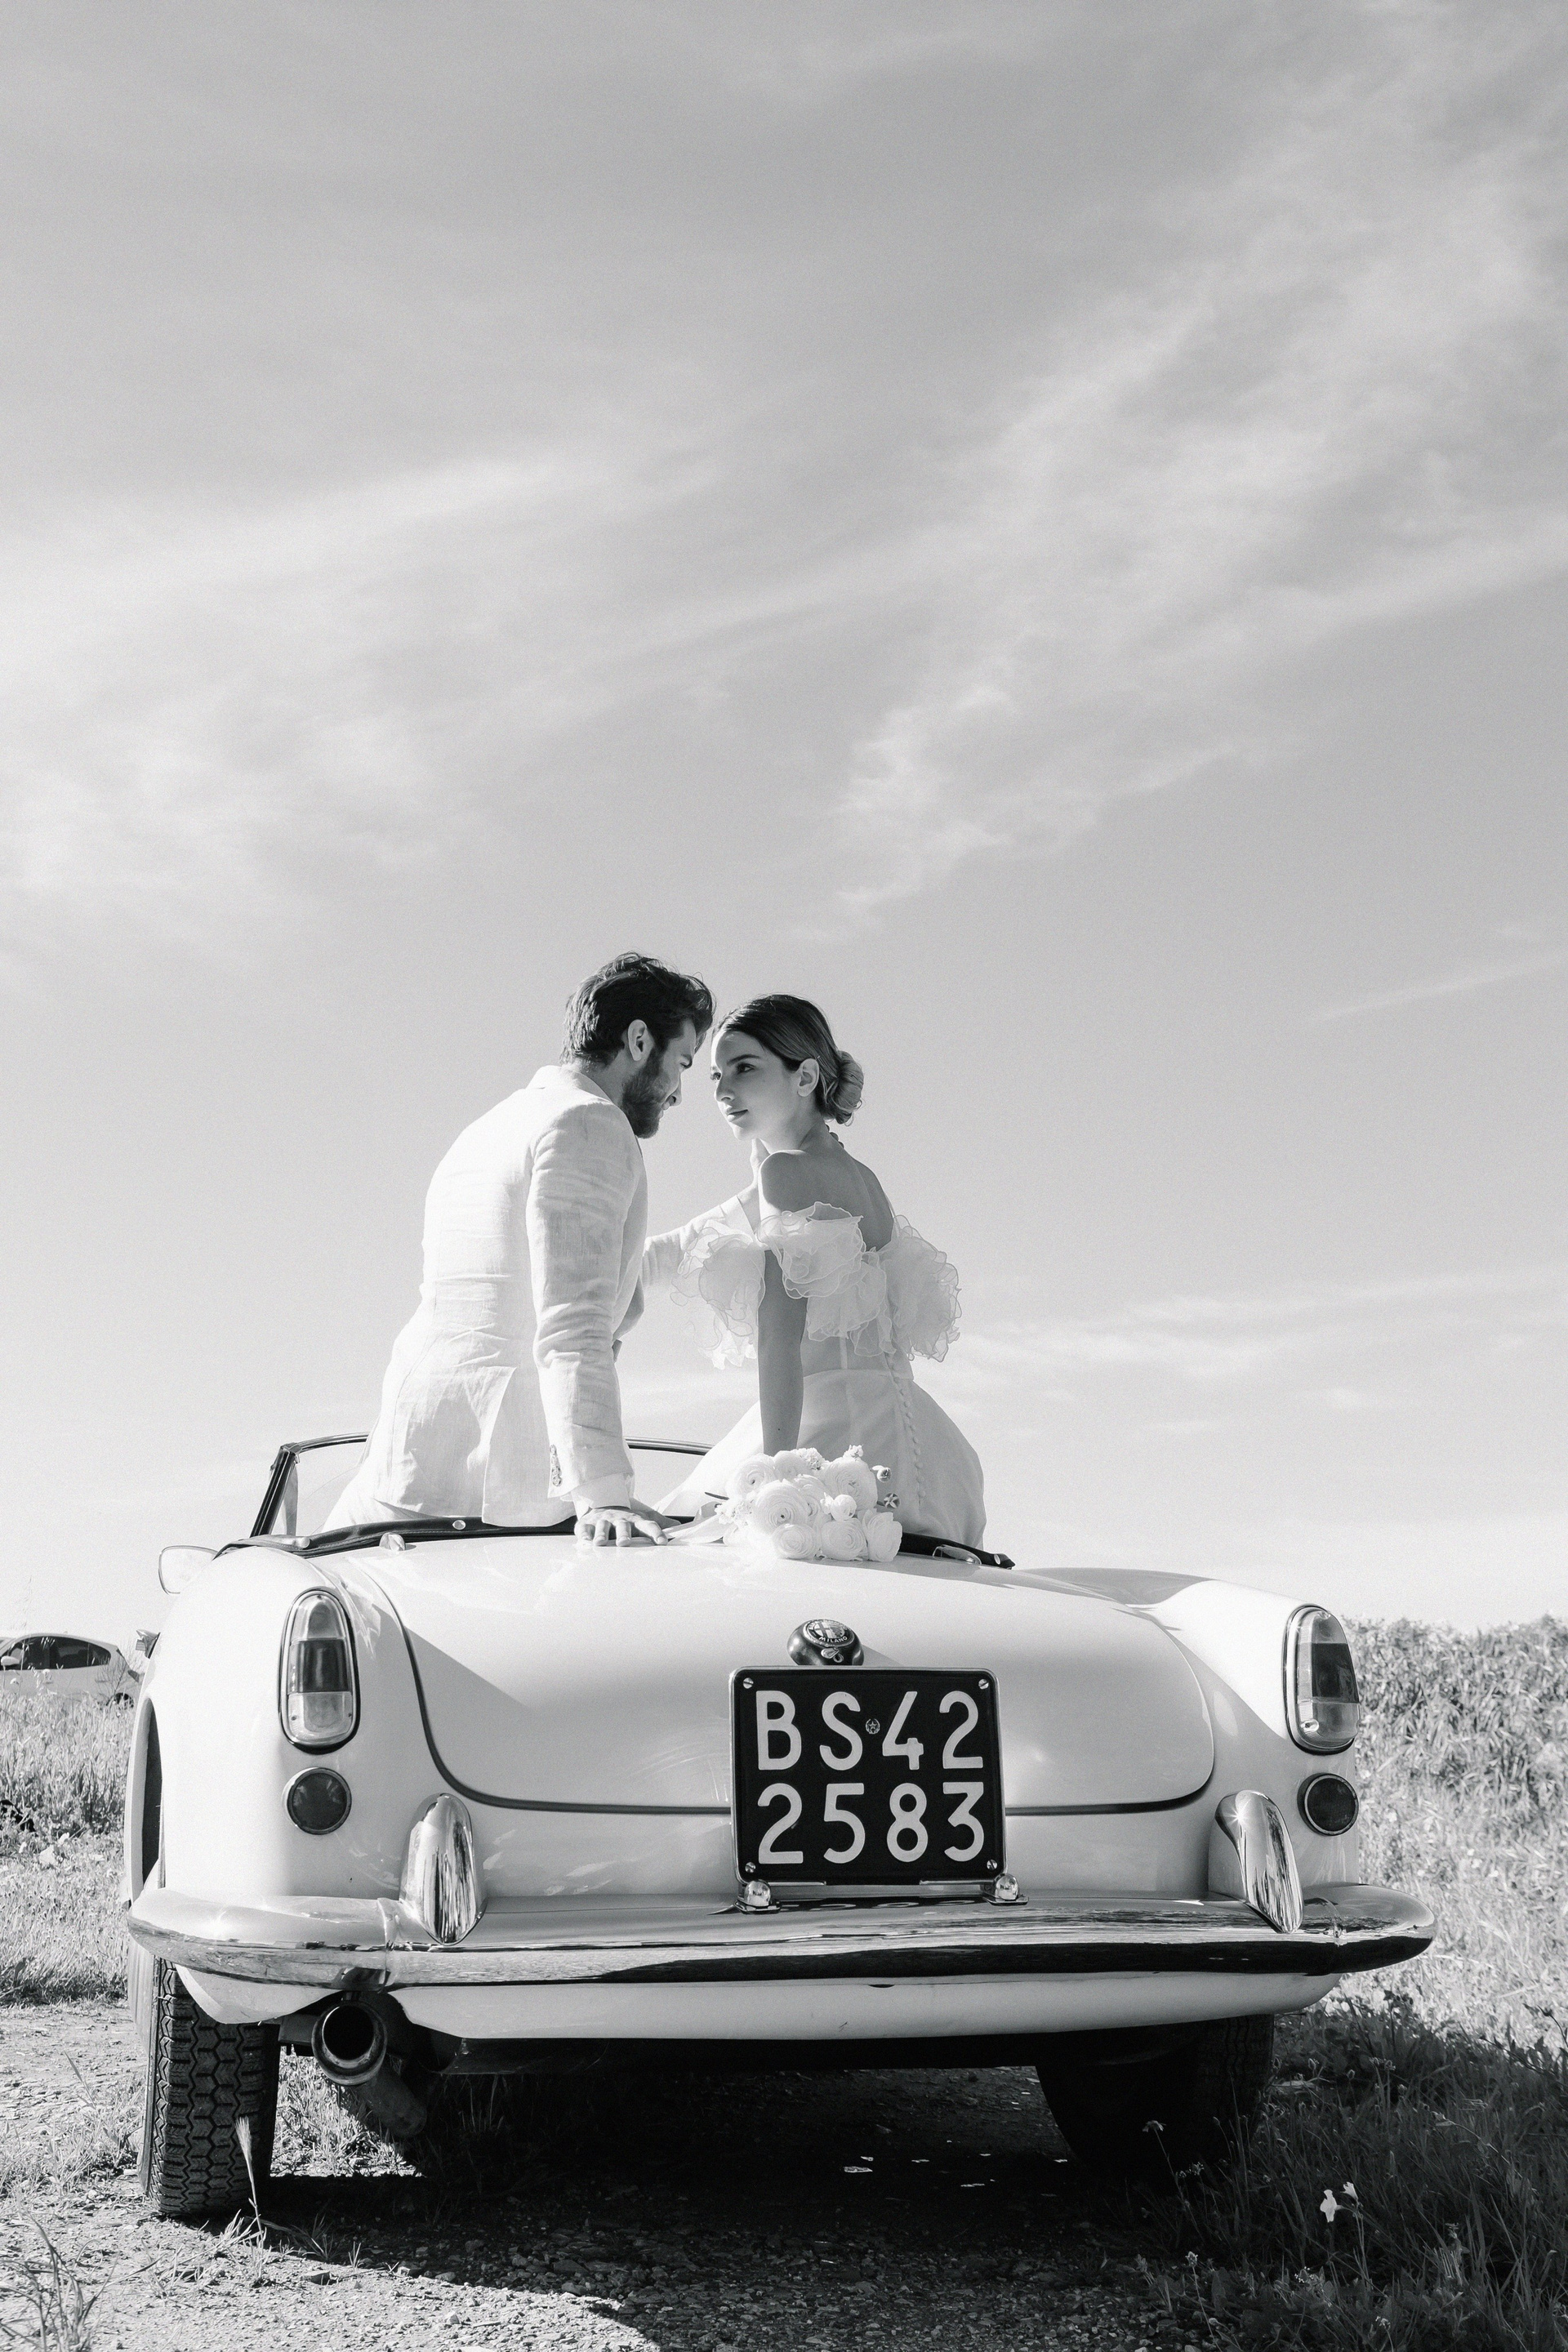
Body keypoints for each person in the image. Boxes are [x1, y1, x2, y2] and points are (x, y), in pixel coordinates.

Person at [325, 952, 713, 1545]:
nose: (678, 1092)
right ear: (640, 1041)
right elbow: (573, 1324)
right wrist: (603, 1494)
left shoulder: (486, 1128)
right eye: (680, 1063)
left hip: (408, 1453)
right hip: (496, 1480)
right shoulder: (588, 1123)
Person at [644, 996, 985, 1544]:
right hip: (920, 1448)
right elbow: (678, 1245)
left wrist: (776, 1477)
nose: (724, 1091)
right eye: (715, 1075)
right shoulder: (861, 1177)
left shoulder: (785, 1173)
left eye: (745, 1068)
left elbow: (781, 1339)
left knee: (676, 1537)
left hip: (831, 1440)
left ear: (804, 1077)